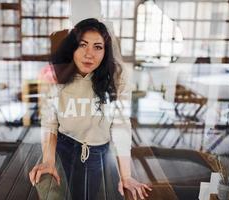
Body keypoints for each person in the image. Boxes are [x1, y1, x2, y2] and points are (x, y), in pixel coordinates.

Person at [29, 18, 152, 200]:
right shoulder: (55, 74)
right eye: (83, 45)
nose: (89, 54)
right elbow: (50, 121)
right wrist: (48, 160)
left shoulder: (118, 76)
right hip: (62, 144)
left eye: (97, 47)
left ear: (105, 51)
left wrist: (126, 176)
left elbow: (120, 125)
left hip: (97, 150)